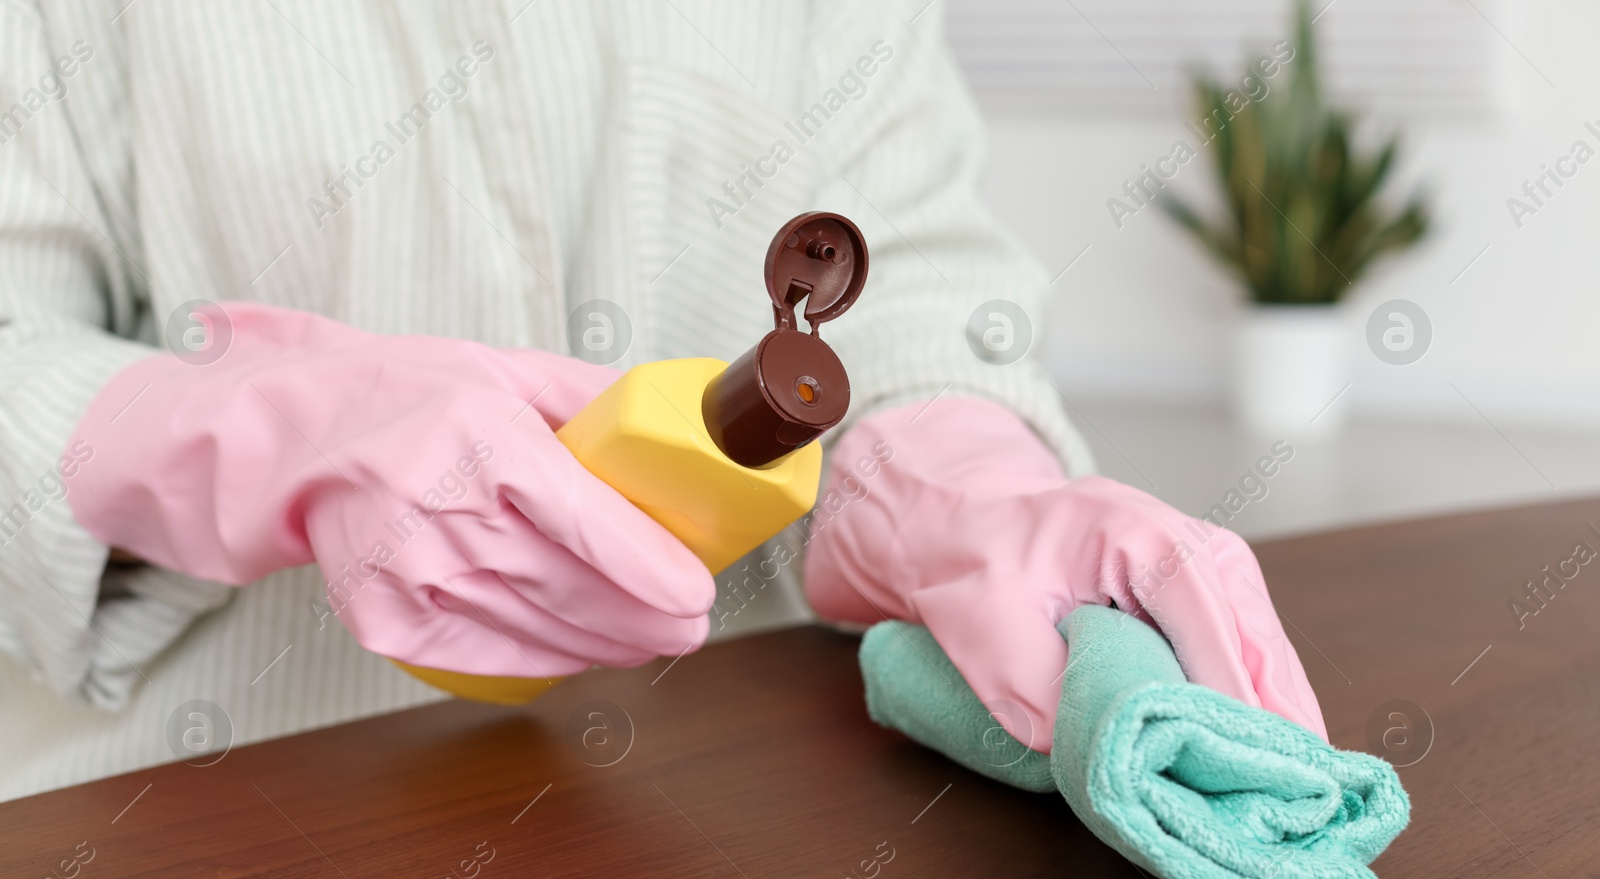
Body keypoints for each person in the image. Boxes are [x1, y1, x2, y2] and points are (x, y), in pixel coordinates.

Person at [0, 1, 1322, 801]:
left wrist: (960, 481)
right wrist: (232, 442)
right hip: (197, 836)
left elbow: (900, 255)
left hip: (708, 831)